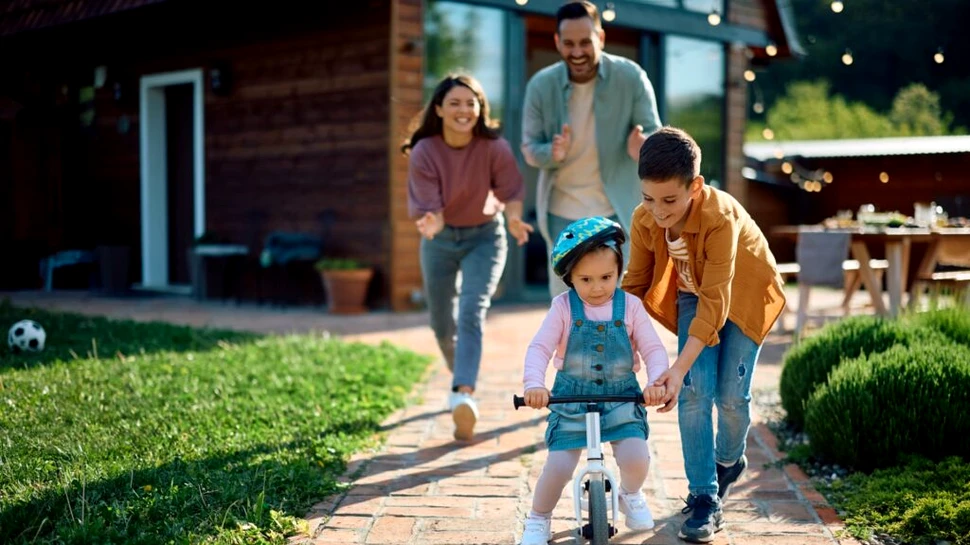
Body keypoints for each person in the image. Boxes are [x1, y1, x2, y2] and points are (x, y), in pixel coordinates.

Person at [621, 127, 787, 543]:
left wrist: (676, 369)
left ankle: (729, 461)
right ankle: (703, 499)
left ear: (695, 186)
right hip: (694, 292)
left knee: (731, 397)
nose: (658, 211)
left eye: (669, 201)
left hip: (743, 295)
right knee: (695, 392)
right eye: (648, 198)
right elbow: (635, 285)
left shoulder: (718, 217)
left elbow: (719, 301)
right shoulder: (645, 218)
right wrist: (620, 340)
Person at [518, 216, 669, 545]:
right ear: (570, 276)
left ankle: (629, 494)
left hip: (621, 399)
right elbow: (540, 348)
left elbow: (653, 348)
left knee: (636, 457)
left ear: (619, 272)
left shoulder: (630, 306)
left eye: (606, 277)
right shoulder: (562, 308)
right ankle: (538, 518)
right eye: (586, 279)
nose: (598, 287)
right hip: (571, 400)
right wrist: (534, 385)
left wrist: (657, 380)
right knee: (558, 467)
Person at [404, 74, 533, 441]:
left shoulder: (494, 147)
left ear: (480, 109)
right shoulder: (425, 151)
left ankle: (464, 394)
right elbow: (433, 210)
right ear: (440, 109)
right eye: (455, 103)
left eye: (471, 103)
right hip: (440, 240)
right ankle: (458, 370)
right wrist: (431, 221)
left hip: (484, 238)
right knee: (441, 323)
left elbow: (510, 191)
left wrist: (515, 220)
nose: (464, 110)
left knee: (471, 310)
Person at [521, 0, 661, 298]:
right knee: (567, 312)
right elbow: (530, 148)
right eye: (568, 43)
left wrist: (643, 147)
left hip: (617, 213)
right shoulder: (540, 86)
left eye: (585, 42)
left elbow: (654, 134)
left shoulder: (630, 77)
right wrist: (551, 153)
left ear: (601, 38)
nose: (577, 52)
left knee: (621, 310)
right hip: (562, 214)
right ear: (557, 42)